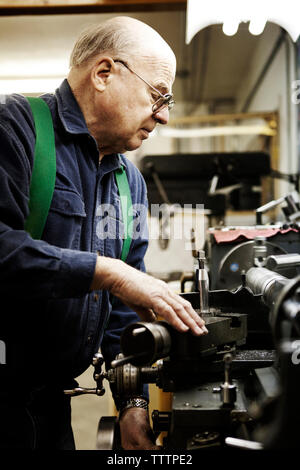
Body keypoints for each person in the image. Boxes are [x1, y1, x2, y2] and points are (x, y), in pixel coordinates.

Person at [0, 16, 207, 450]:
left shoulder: (128, 183)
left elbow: (122, 313)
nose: (165, 115)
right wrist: (108, 271)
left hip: (52, 407)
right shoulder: (14, 130)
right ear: (104, 73)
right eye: (158, 95)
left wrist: (132, 405)